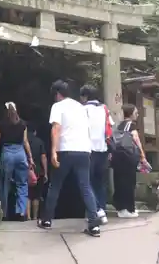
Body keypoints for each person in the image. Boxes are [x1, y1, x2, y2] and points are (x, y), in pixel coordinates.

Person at [38, 80, 101, 237]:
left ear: (57, 94)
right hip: (84, 151)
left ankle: (46, 220)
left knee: (55, 185)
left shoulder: (58, 106)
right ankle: (94, 224)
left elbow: (56, 128)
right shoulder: (81, 107)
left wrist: (53, 151)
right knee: (85, 186)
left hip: (65, 150)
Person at [0, 102, 35, 221]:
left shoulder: (1, 124)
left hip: (8, 152)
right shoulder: (22, 124)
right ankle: (21, 212)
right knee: (22, 183)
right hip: (20, 153)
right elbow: (25, 141)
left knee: (5, 183)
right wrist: (30, 157)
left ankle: (4, 213)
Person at [80, 84, 114, 225]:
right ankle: (102, 211)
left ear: (85, 96)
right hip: (103, 150)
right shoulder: (104, 109)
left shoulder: (83, 110)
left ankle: (96, 211)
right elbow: (110, 126)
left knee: (87, 183)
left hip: (89, 150)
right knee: (100, 183)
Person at [112, 104, 147, 218]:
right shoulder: (131, 125)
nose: (137, 114)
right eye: (136, 113)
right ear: (131, 114)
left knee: (119, 182)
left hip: (117, 156)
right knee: (129, 182)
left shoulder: (119, 125)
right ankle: (128, 209)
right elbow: (136, 139)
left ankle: (121, 208)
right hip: (128, 157)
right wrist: (142, 155)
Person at [26, 123, 48, 220]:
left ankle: (28, 216)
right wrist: (46, 172)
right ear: (35, 132)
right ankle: (35, 217)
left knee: (27, 194)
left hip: (26, 170)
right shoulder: (39, 142)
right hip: (38, 171)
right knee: (36, 195)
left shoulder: (23, 142)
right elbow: (43, 157)